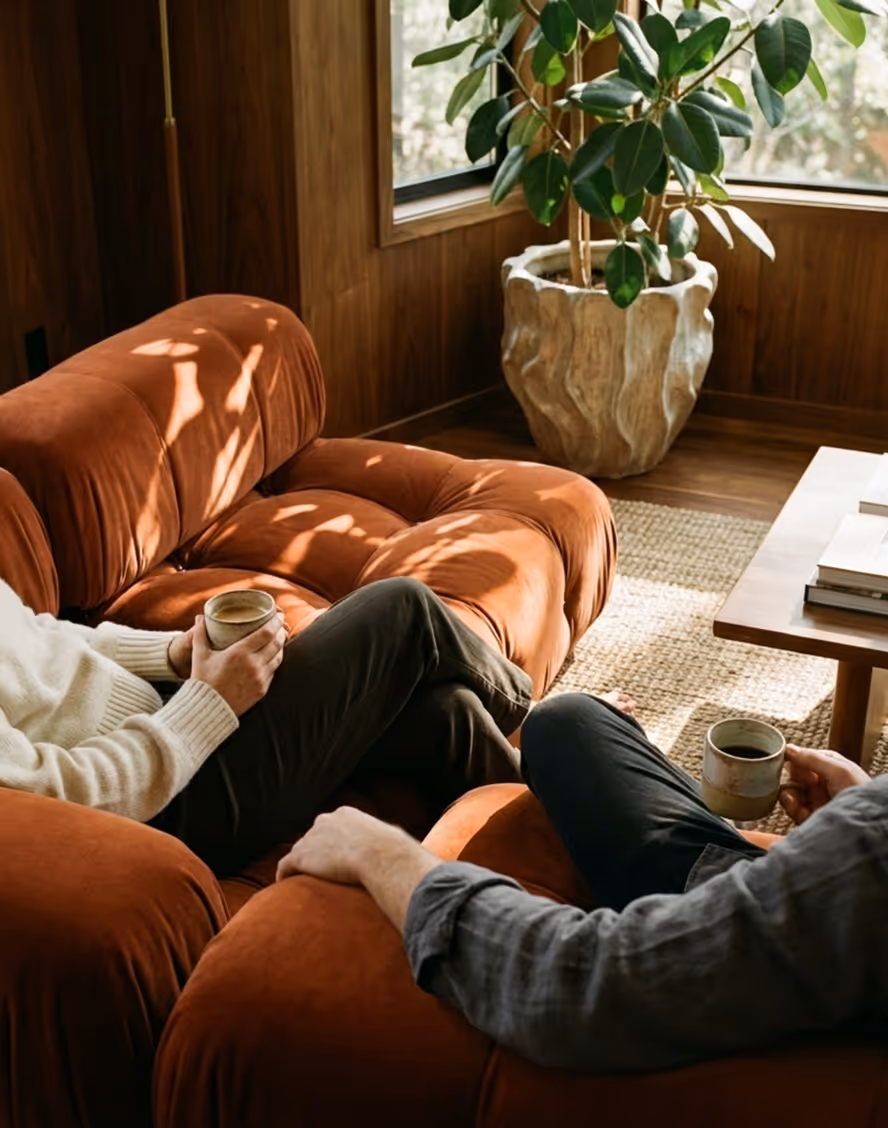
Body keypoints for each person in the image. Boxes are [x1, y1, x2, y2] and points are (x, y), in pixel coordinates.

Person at [276, 691, 888, 1073]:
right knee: (567, 720)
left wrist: (381, 851)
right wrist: (860, 809)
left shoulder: (866, 859)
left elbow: (580, 985)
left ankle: (495, 704)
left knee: (416, 623)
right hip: (806, 909)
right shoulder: (864, 846)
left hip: (754, 928)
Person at [0, 576, 532, 874]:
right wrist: (208, 702)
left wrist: (175, 655)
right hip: (166, 804)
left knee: (445, 714)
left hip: (167, 718)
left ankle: (556, 836)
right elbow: (53, 793)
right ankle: (536, 724)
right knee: (403, 611)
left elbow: (42, 635)